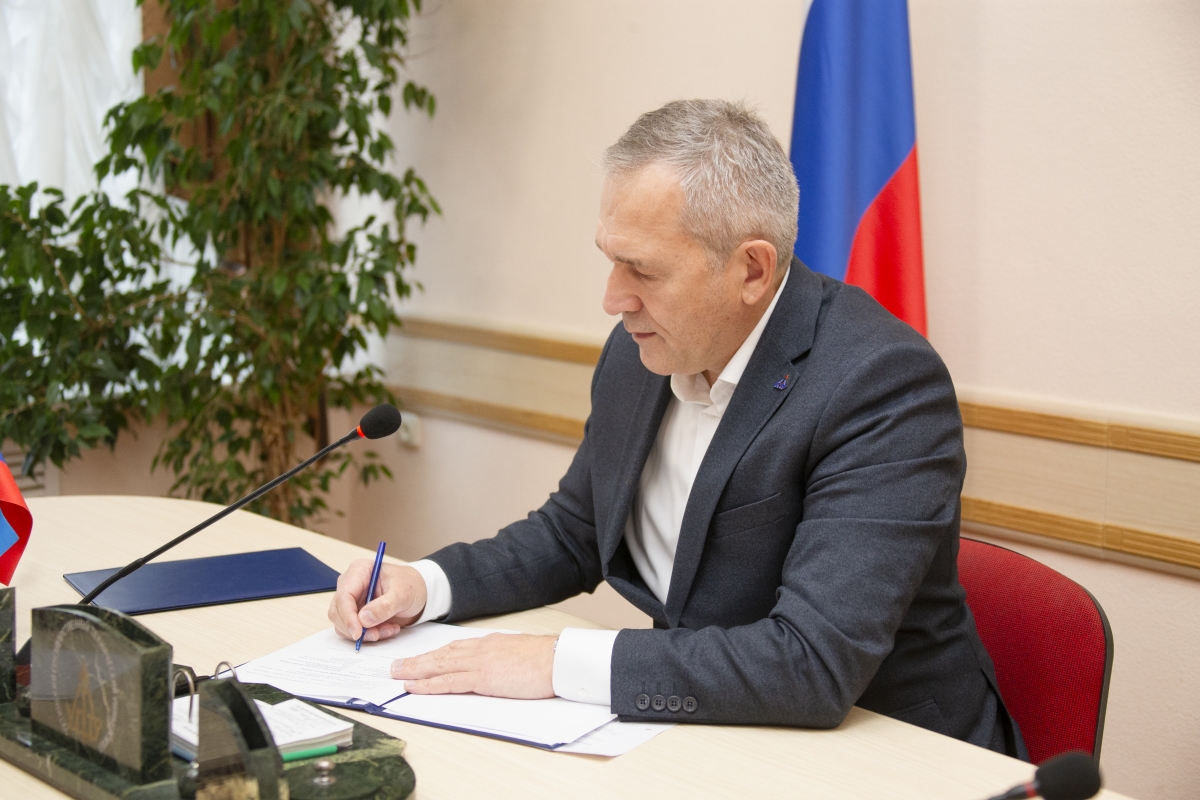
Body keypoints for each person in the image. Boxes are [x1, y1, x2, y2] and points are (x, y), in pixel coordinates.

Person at [328, 99, 1024, 757]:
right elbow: (575, 532)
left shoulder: (881, 383)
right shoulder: (643, 349)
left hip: (889, 753)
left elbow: (811, 663)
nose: (613, 298)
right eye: (610, 259)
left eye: (642, 270)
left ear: (752, 269)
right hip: (709, 733)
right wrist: (426, 586)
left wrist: (554, 662)